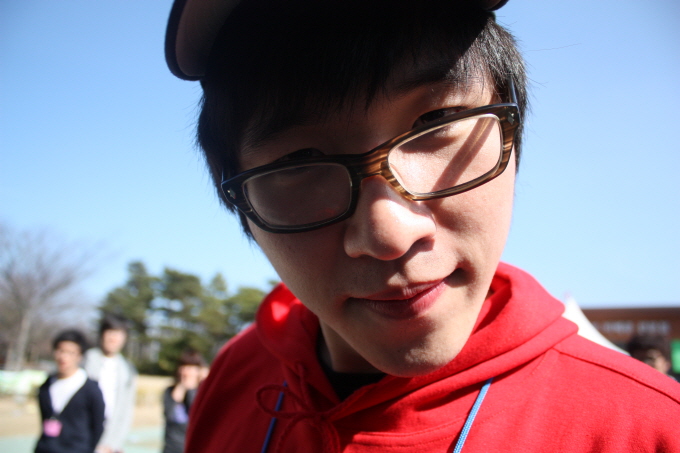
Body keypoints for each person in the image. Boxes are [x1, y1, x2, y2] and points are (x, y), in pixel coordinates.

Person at [164, 0, 680, 451]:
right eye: (300, 161)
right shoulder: (236, 377)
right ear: (237, 201)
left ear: (513, 132)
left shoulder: (651, 428)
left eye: (436, 123)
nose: (390, 234)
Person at [35, 329, 105, 453]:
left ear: (80, 356)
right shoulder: (45, 386)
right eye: (60, 351)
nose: (64, 357)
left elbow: (98, 425)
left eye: (71, 352)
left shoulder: (91, 389)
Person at [83, 314, 137, 453]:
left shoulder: (128, 369)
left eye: (119, 333)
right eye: (110, 332)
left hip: (109, 443)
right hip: (82, 437)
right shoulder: (85, 361)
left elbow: (125, 411)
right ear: (102, 334)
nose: (113, 338)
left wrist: (113, 444)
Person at [162, 350, 207, 453]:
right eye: (183, 367)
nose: (186, 372)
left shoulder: (202, 393)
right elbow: (168, 414)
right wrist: (182, 387)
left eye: (190, 368)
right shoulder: (170, 391)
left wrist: (191, 390)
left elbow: (195, 414)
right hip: (171, 447)